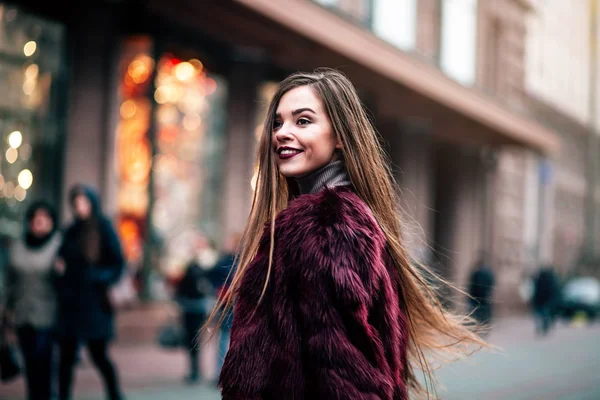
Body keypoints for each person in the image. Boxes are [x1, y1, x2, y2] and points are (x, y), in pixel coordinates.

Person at [213, 69, 486, 399]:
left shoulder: (326, 226)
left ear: (340, 135)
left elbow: (343, 376)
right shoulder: (342, 219)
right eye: (277, 122)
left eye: (302, 121)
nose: (281, 133)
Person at [54, 185, 125, 400]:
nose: (80, 207)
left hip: (95, 303)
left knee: (99, 355)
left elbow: (118, 263)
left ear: (93, 203)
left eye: (84, 202)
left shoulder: (103, 228)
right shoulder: (70, 230)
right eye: (76, 203)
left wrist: (97, 278)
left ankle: (115, 395)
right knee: (66, 357)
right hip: (71, 303)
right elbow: (62, 258)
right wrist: (60, 269)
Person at [3, 201, 61, 400]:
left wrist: (62, 272)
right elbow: (9, 279)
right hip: (22, 313)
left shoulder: (58, 246)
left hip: (48, 315)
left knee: (43, 364)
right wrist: (7, 307)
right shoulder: (18, 246)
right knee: (29, 365)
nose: (40, 223)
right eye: (36, 219)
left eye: (45, 220)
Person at [175, 233, 217, 383]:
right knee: (195, 341)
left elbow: (180, 290)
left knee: (192, 341)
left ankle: (195, 371)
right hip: (196, 308)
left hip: (191, 308)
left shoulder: (193, 270)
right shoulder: (200, 270)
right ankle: (195, 371)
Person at [532, 265, 561, 336]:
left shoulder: (539, 279)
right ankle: (544, 327)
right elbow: (553, 291)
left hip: (540, 301)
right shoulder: (551, 279)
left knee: (540, 315)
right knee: (544, 315)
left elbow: (536, 291)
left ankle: (542, 327)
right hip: (545, 301)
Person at [468, 259, 496, 329]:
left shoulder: (476, 272)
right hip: (485, 296)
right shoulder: (489, 273)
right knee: (485, 312)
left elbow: (472, 284)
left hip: (476, 296)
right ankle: (485, 325)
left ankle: (477, 325)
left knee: (476, 312)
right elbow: (492, 283)